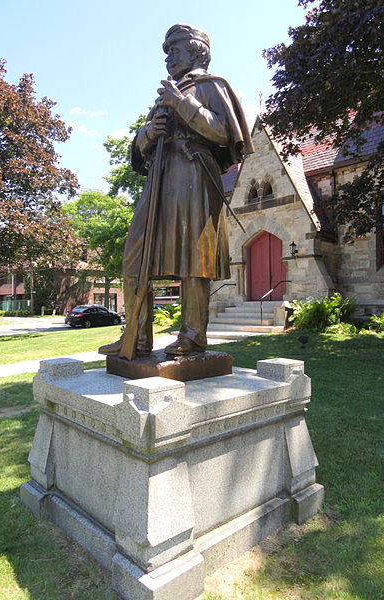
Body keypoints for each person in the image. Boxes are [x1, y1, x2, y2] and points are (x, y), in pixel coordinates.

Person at [99, 23, 253, 358]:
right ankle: (135, 338)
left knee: (193, 258)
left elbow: (225, 133)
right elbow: (139, 149)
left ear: (198, 49)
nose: (169, 58)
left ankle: (193, 336)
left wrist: (183, 103)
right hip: (160, 179)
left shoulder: (211, 86)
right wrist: (147, 133)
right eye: (166, 52)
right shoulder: (167, 93)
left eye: (175, 49)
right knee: (135, 255)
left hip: (194, 174)